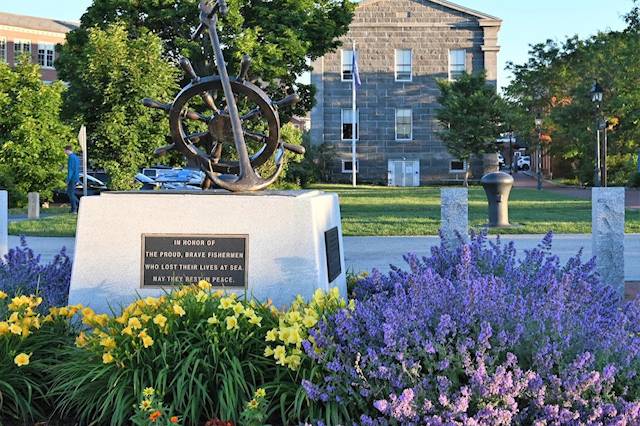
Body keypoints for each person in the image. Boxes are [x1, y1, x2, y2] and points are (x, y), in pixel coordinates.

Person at [64, 145, 80, 213]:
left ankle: (75, 208)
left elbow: (71, 170)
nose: (64, 152)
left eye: (64, 150)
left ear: (67, 150)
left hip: (72, 178)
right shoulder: (76, 157)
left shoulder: (71, 157)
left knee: (70, 193)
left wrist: (68, 180)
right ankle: (77, 207)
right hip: (76, 177)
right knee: (71, 193)